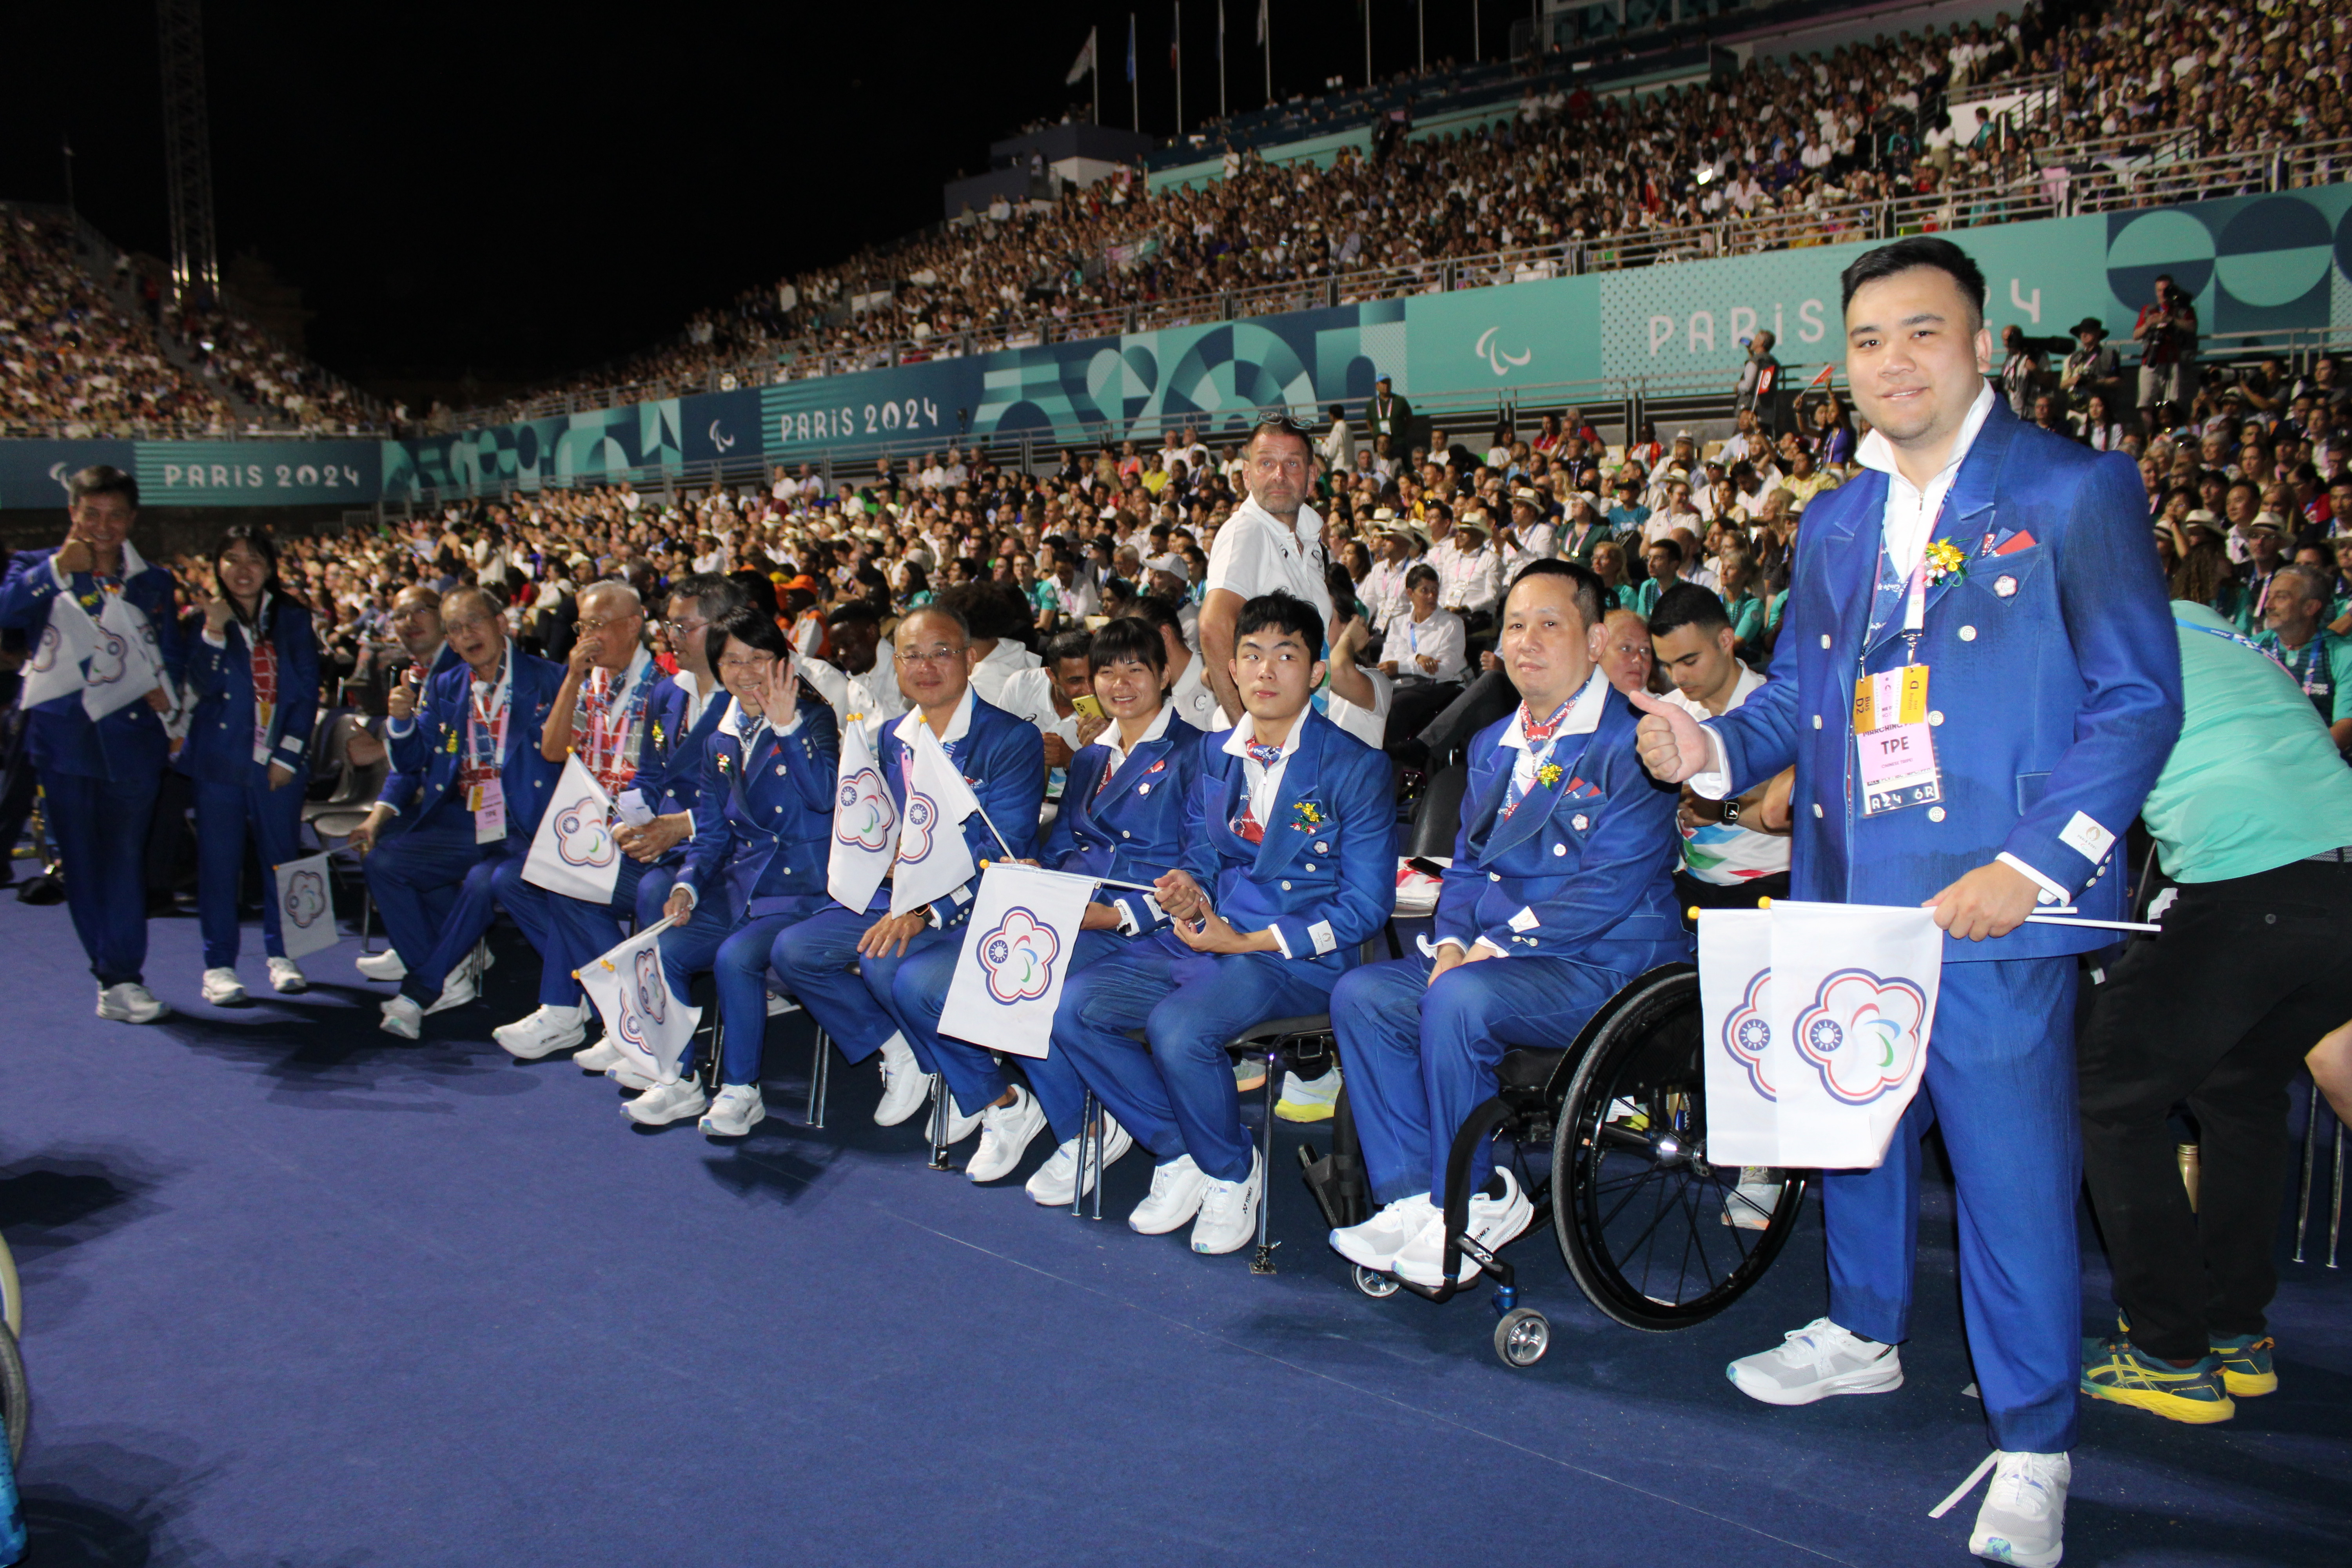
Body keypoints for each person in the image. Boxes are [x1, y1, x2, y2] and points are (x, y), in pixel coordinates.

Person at [1631, 236, 2182, 1568]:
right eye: (1871, 339)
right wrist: (1712, 752)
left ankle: (2036, 1438)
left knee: (2010, 1181)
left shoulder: (2073, 488)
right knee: (1852, 1138)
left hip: (1988, 906)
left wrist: (2037, 864)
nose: (1894, 361)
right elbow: (1812, 700)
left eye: (1922, 332)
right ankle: (1865, 1332)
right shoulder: (1832, 519)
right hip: (1845, 895)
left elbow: (2139, 699)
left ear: (1983, 344)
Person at [1327, 562, 1688, 1287]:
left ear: (1593, 641)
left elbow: (1607, 887)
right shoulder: (1493, 745)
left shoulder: (1638, 742)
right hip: (1505, 963)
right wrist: (1455, 940)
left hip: (1609, 967)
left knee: (1461, 998)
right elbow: (1464, 867)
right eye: (1516, 625)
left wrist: (1486, 949)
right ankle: (1409, 1197)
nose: (1527, 641)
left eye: (1550, 624)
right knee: (1362, 996)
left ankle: (1482, 1194)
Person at [2074, 589, 2352, 1425]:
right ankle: (2237, 1329)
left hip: (2250, 877)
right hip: (2339, 874)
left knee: (2113, 1091)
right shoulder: (2197, 615)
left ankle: (2169, 1349)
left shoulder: (2097, 631)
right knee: (2239, 1089)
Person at [1051, 592, 1395, 1256]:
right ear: (1230, 671)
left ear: (1316, 672)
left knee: (1177, 1029)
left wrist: (1249, 939)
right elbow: (1202, 858)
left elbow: (1365, 908)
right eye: (1252, 656)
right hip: (1212, 942)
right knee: (1073, 1008)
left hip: (1296, 956)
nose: (1266, 672)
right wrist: (1187, 889)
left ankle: (1232, 1171)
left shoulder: (1356, 765)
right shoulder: (1214, 754)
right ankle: (1182, 1146)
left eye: (1286, 656)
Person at [889, 617, 1209, 1197]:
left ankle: (1116, 1132)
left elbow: (1201, 868)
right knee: (923, 982)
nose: (1120, 682)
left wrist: (1112, 915)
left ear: (1166, 675)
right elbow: (1062, 848)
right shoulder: (1090, 759)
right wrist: (1043, 881)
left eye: (1137, 667)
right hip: (1073, 914)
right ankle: (1055, 1115)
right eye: (1106, 670)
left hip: (1142, 927)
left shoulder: (1199, 755)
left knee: (1019, 980)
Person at [769, 604, 1045, 1143]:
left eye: (941, 653)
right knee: (795, 951)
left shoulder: (1010, 739)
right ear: (895, 665)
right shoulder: (896, 735)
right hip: (904, 895)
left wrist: (925, 910)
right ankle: (909, 1051)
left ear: (969, 658)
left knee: (884, 964)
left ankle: (995, 1098)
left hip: (979, 901)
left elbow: (1004, 849)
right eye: (911, 656)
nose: (925, 666)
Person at [626, 609, 840, 1132]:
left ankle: (742, 1090)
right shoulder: (722, 736)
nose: (747, 674)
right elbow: (712, 829)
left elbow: (824, 797)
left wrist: (787, 726)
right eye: (733, 661)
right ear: (718, 668)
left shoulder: (813, 718)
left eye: (760, 659)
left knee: (734, 957)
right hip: (743, 886)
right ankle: (680, 1079)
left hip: (805, 890)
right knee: (663, 949)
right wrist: (688, 884)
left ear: (783, 662)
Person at [0, 466, 180, 1022]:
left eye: (116, 516)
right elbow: (5, 611)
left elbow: (169, 653)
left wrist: (163, 690)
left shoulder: (154, 581)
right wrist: (57, 571)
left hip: (134, 744)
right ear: (73, 514)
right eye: (92, 514)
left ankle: (124, 975)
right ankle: (110, 977)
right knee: (80, 863)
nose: (104, 527)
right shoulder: (33, 568)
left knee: (126, 860)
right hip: (64, 742)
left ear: (132, 520)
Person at [490, 579, 698, 1058]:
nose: (589, 636)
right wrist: (571, 678)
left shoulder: (668, 685)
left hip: (650, 837)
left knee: (567, 882)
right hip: (594, 831)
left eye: (599, 626)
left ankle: (590, 1014)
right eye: (583, 625)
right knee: (551, 877)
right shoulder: (594, 683)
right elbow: (552, 748)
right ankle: (609, 1014)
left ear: (634, 625)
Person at [354, 586, 566, 1039]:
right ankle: (446, 975)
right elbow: (413, 763)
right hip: (470, 821)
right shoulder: (449, 685)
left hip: (528, 825)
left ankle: (420, 990)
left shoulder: (551, 679)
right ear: (449, 642)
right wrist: (401, 723)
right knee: (384, 861)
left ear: (502, 623)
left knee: (480, 880)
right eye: (454, 629)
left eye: (474, 621)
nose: (466, 634)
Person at [179, 527, 321, 1005]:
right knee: (219, 866)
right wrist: (214, 631)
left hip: (279, 762)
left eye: (254, 559)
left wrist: (288, 753)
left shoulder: (293, 618)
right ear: (217, 567)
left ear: (270, 567)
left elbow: (305, 691)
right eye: (232, 559)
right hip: (220, 762)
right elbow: (197, 685)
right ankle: (219, 965)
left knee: (282, 859)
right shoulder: (200, 620)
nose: (243, 570)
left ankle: (285, 955)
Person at [1646, 583, 1791, 911]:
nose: (1677, 676)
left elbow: (1797, 818)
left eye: (1689, 660)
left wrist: (1724, 810)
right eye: (1667, 665)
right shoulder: (1668, 712)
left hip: (1771, 884)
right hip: (1689, 884)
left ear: (1726, 641)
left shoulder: (1778, 710)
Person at [1198, 416, 1332, 722]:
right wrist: (1247, 730)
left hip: (1303, 726)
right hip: (1267, 741)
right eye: (1267, 463)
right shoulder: (1246, 532)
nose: (1279, 476)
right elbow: (1213, 626)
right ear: (1247, 475)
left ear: (1312, 476)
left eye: (1293, 464)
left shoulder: (1310, 537)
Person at [2250, 564, 2352, 752]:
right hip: (2262, 756)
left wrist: (2301, 757)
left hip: (2321, 760)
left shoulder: (2343, 654)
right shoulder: (2253, 648)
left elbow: (2346, 726)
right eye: (2270, 596)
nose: (2269, 605)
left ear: (2310, 607)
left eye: (2281, 597)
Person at [1375, 563, 1468, 749]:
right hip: (1407, 683)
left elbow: (1444, 670)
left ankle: (1395, 758)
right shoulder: (1398, 623)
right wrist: (1417, 659)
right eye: (1425, 591)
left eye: (1435, 590)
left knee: (1399, 705)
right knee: (1370, 695)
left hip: (1443, 685)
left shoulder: (1452, 624)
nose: (1432, 596)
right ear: (1410, 594)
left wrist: (1401, 665)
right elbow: (1386, 664)